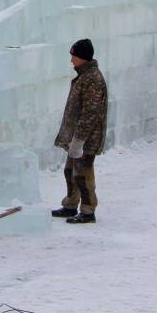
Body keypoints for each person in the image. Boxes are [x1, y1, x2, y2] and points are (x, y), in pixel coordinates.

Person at [51, 39, 109, 224]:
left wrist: (80, 139)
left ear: (82, 57)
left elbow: (90, 113)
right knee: (70, 171)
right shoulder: (84, 76)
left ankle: (88, 210)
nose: (71, 60)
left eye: (73, 56)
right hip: (75, 136)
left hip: (86, 139)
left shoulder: (93, 79)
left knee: (82, 174)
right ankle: (70, 204)